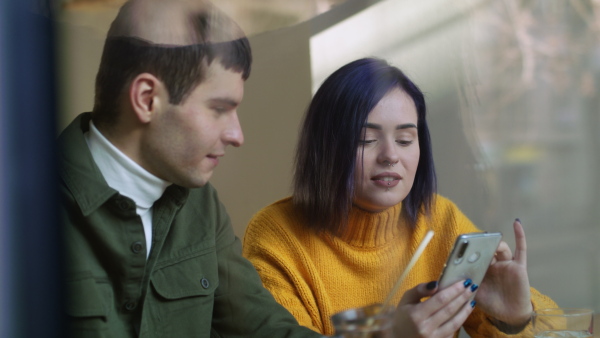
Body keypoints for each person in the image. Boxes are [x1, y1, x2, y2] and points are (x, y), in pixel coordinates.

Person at [58, 0, 323, 336]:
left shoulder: (202, 206)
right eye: (219, 108)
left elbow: (264, 329)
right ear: (147, 99)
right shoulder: (21, 211)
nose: (237, 135)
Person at [242, 57, 558, 337]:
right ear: (326, 147)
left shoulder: (440, 219)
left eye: (405, 139)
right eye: (366, 139)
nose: (390, 155)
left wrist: (515, 320)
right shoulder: (276, 236)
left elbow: (564, 330)